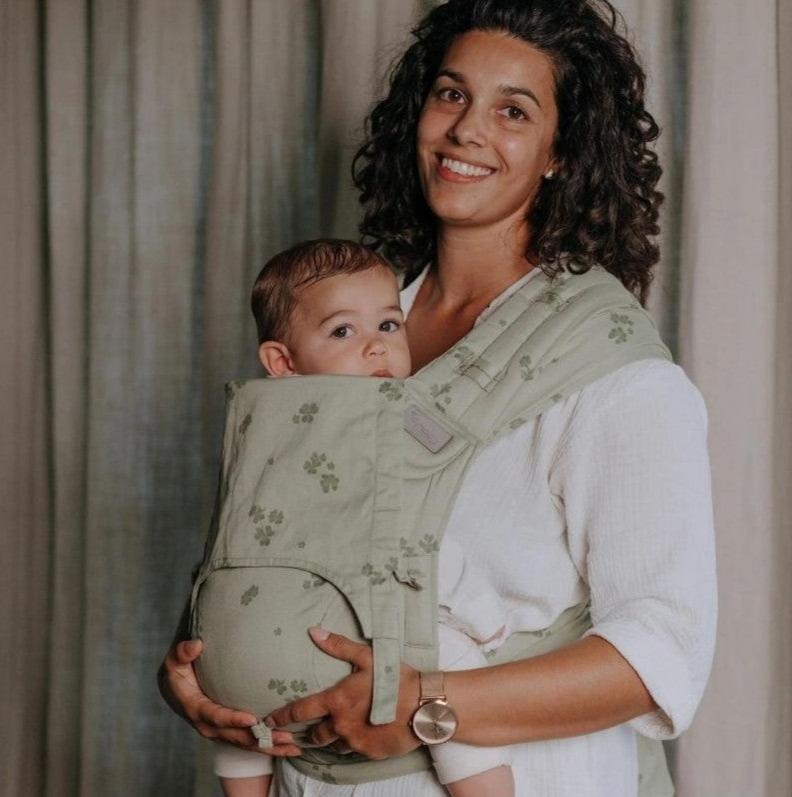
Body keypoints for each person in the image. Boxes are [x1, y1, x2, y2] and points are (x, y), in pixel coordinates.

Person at [159, 1, 717, 795]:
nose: (466, 131)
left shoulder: (614, 375)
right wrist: (197, 667)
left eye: (513, 110)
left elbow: (662, 651)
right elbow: (275, 550)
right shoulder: (345, 333)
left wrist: (427, 705)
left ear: (561, 151)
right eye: (451, 94)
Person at [199, 239, 514, 797]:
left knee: (241, 702)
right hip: (335, 639)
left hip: (233, 653)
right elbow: (416, 542)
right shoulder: (381, 425)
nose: (376, 348)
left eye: (389, 326)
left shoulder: (257, 433)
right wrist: (487, 619)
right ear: (282, 361)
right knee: (454, 677)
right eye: (344, 332)